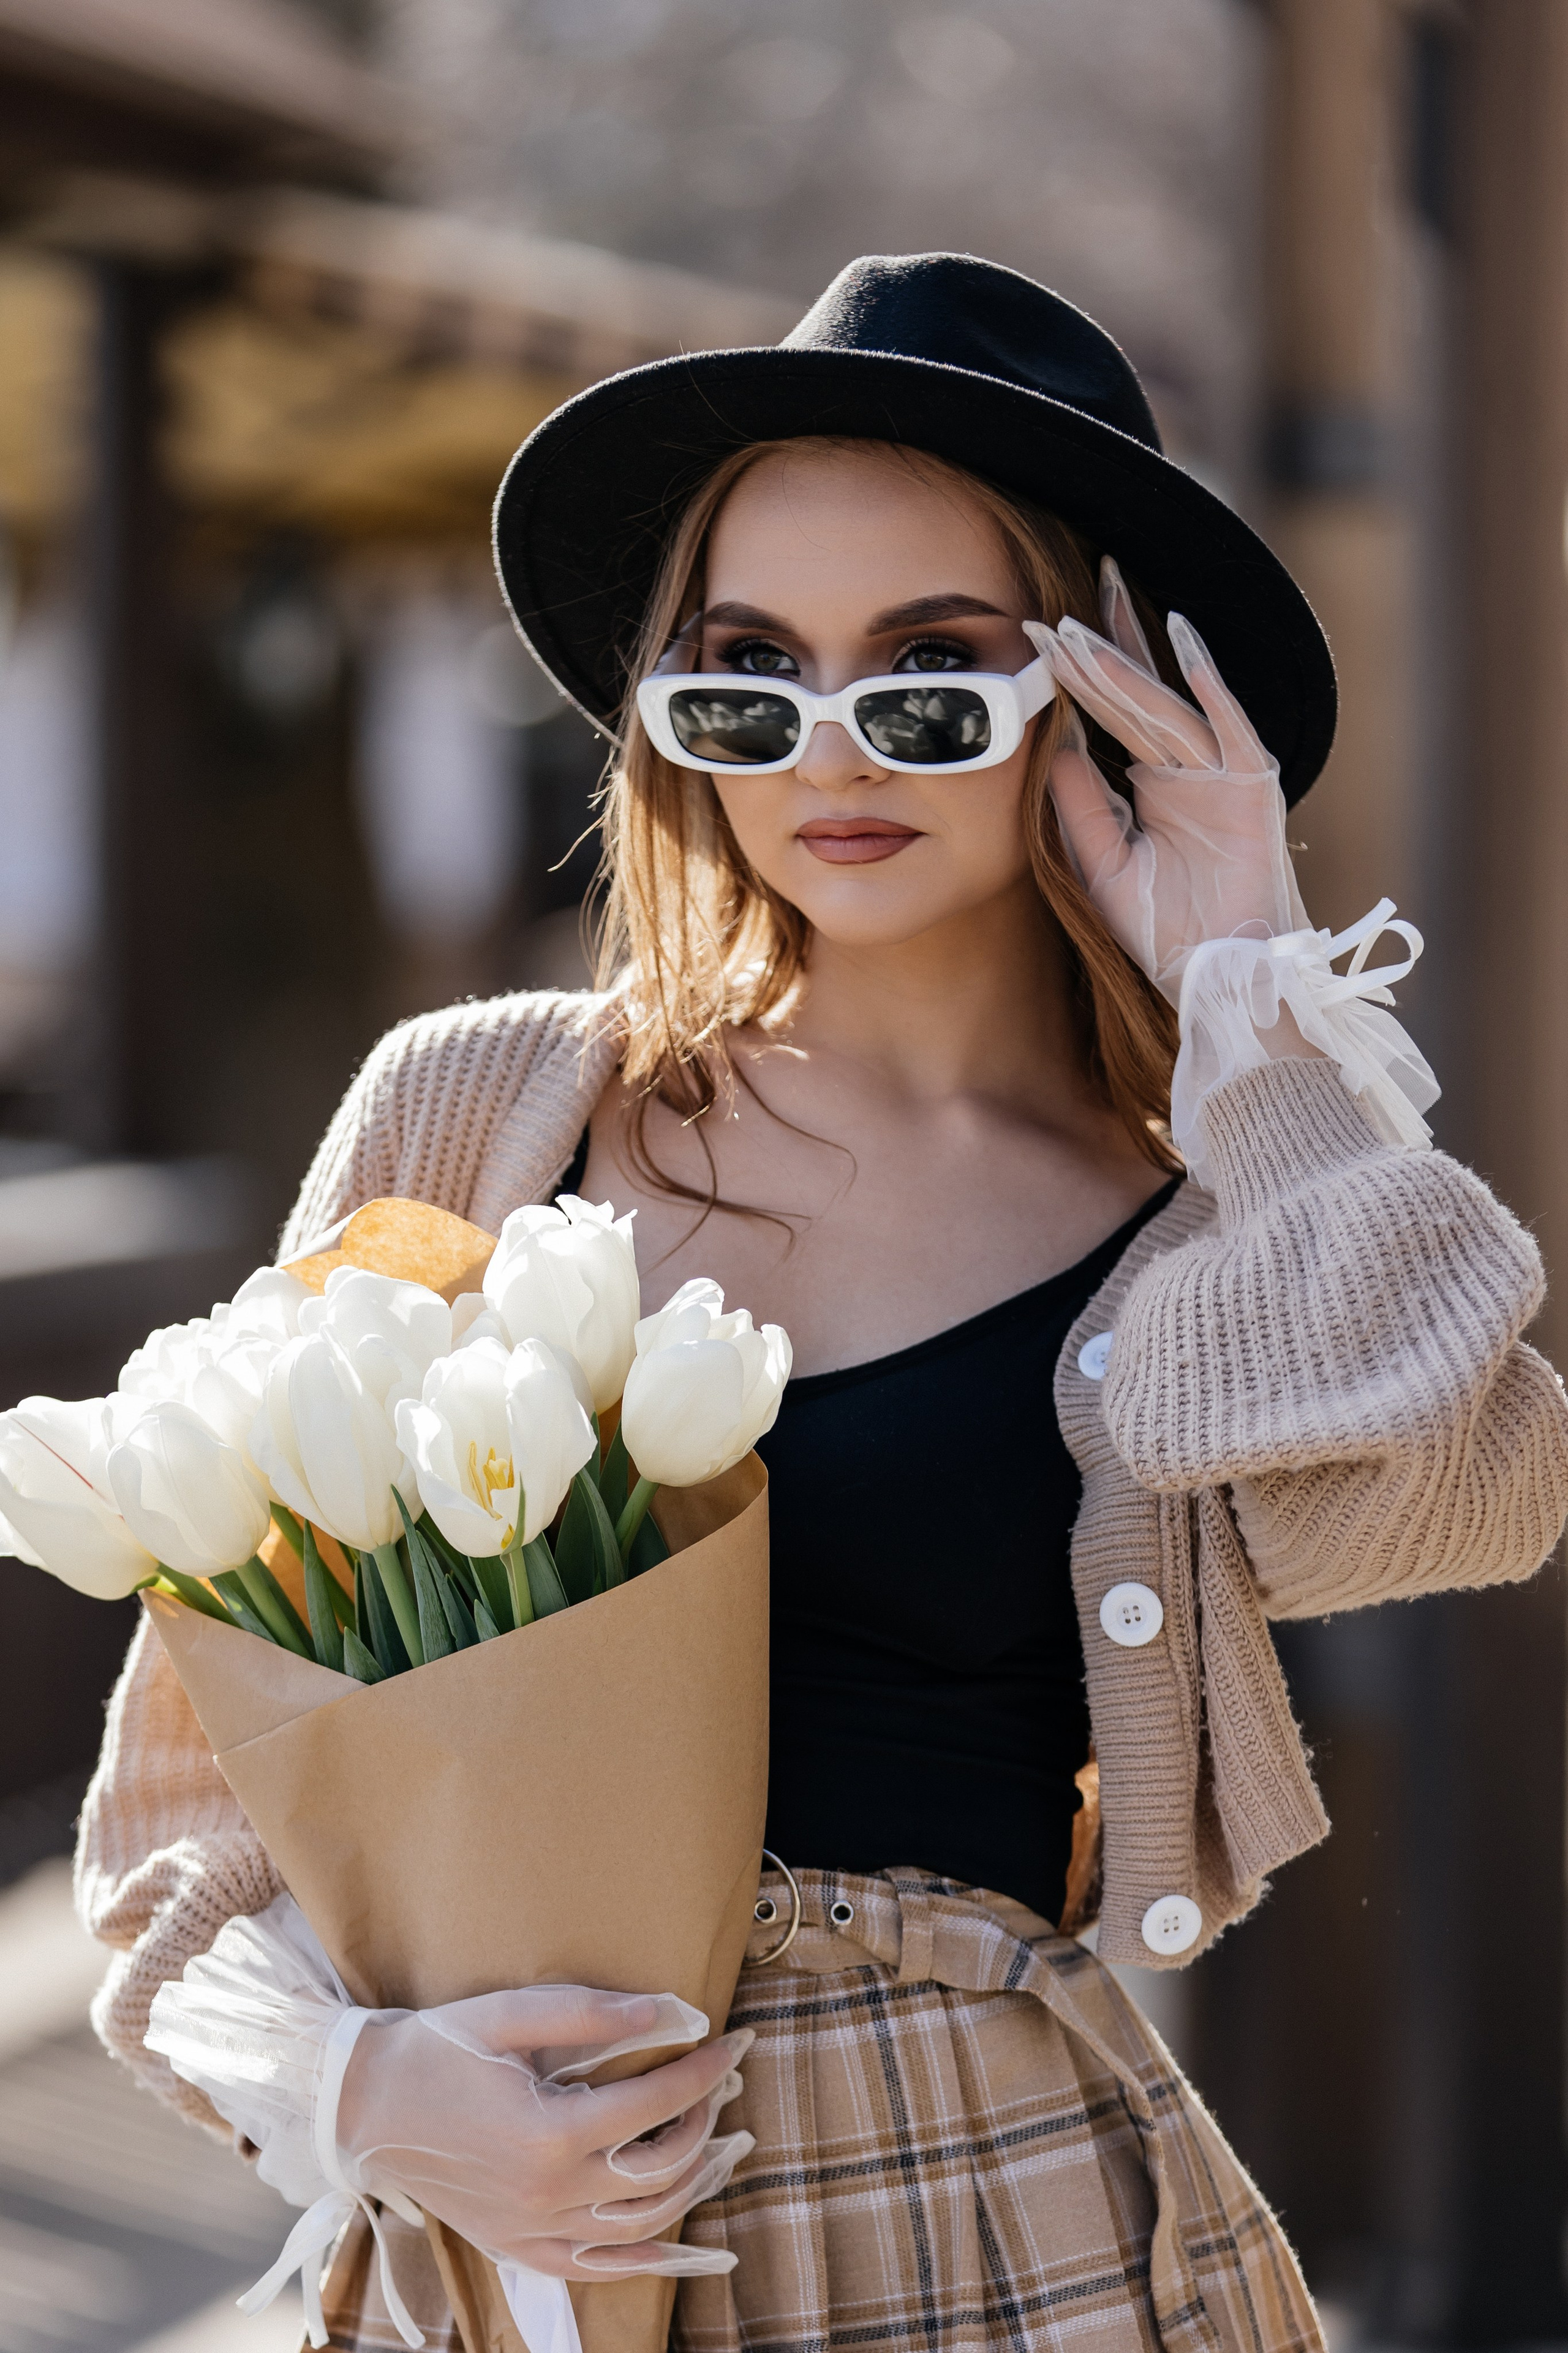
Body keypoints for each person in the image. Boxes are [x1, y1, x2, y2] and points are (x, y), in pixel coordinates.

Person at [77, 254, 1568, 2353]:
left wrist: (1248, 991)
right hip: (507, 2248)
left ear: (1098, 699)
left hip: (1006, 2221)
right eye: (748, 677)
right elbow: (181, 1806)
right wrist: (361, 2091)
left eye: (934, 675)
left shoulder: (1196, 1226)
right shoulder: (480, 1117)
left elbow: (1468, 1489)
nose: (831, 751)